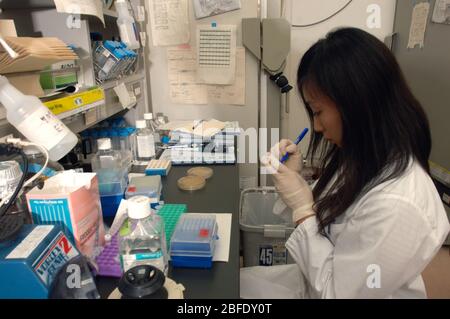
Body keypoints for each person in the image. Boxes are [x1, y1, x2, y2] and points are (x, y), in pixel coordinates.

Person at [240, 27, 450, 299]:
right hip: (315, 280)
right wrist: (298, 184)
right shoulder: (366, 156)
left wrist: (303, 210)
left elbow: (338, 293)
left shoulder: (399, 203)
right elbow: (331, 217)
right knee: (235, 285)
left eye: (317, 111)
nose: (315, 126)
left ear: (357, 103)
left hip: (335, 291)